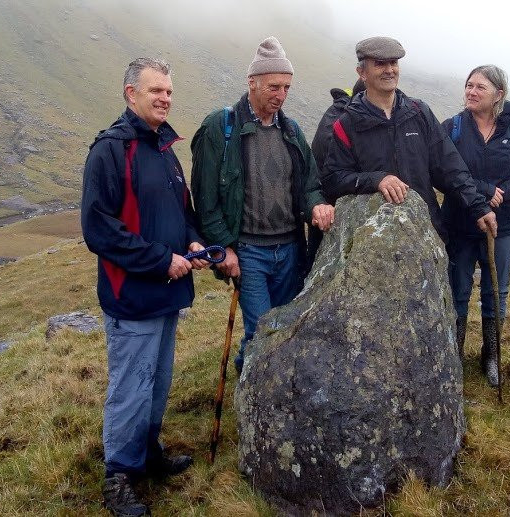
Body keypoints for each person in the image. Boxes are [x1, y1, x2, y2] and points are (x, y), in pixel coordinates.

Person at [81, 57, 210, 516]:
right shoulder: (110, 151)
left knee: (156, 383)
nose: (165, 98)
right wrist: (161, 260)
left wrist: (192, 239)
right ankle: (119, 476)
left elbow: (179, 212)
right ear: (130, 93)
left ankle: (146, 453)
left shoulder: (163, 149)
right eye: (156, 90)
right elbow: (99, 230)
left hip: (167, 293)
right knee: (130, 387)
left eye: (170, 91)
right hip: (132, 296)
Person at [191, 36, 334, 374]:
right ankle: (257, 400)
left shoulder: (292, 130)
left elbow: (310, 185)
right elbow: (206, 198)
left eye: (286, 87)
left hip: (288, 249)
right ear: (252, 82)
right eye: (273, 86)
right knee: (263, 330)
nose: (280, 95)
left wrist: (317, 205)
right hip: (249, 251)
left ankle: (248, 373)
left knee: (282, 329)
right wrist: (224, 248)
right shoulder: (220, 128)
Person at [322, 36, 496, 246]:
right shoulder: (346, 124)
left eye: (394, 63)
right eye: (380, 64)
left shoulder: (419, 112)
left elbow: (449, 168)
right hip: (372, 242)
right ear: (362, 73)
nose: (389, 70)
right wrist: (377, 179)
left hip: (426, 232)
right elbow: (333, 179)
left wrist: (478, 206)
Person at [441, 65, 510, 386]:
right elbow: (443, 172)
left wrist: (504, 194)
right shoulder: (452, 128)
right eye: (468, 85)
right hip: (459, 226)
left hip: (503, 227)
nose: (471, 91)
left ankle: (491, 356)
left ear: (499, 94)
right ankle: (453, 353)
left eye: (480, 87)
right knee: (458, 291)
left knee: (497, 292)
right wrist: (484, 191)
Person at [306, 78, 365, 266]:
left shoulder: (337, 112)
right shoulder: (344, 120)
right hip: (329, 211)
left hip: (321, 206)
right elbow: (333, 170)